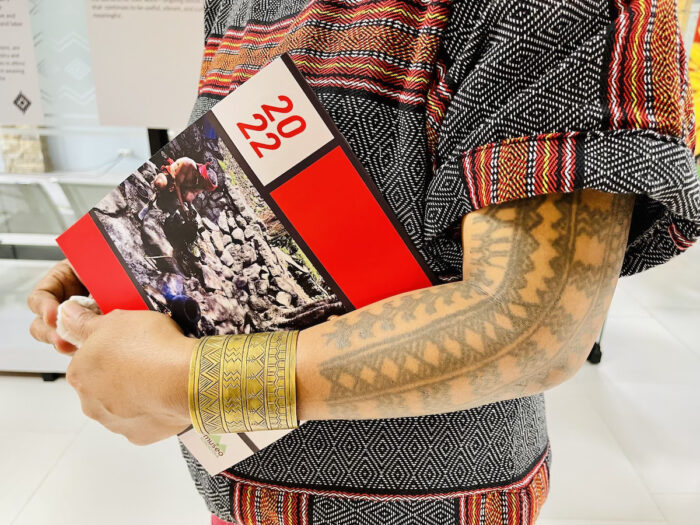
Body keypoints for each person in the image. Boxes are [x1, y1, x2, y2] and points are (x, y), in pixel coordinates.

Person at [27, 1, 700, 524]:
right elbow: (234, 152)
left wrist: (193, 383)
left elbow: (532, 325)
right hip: (238, 491)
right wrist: (132, 257)